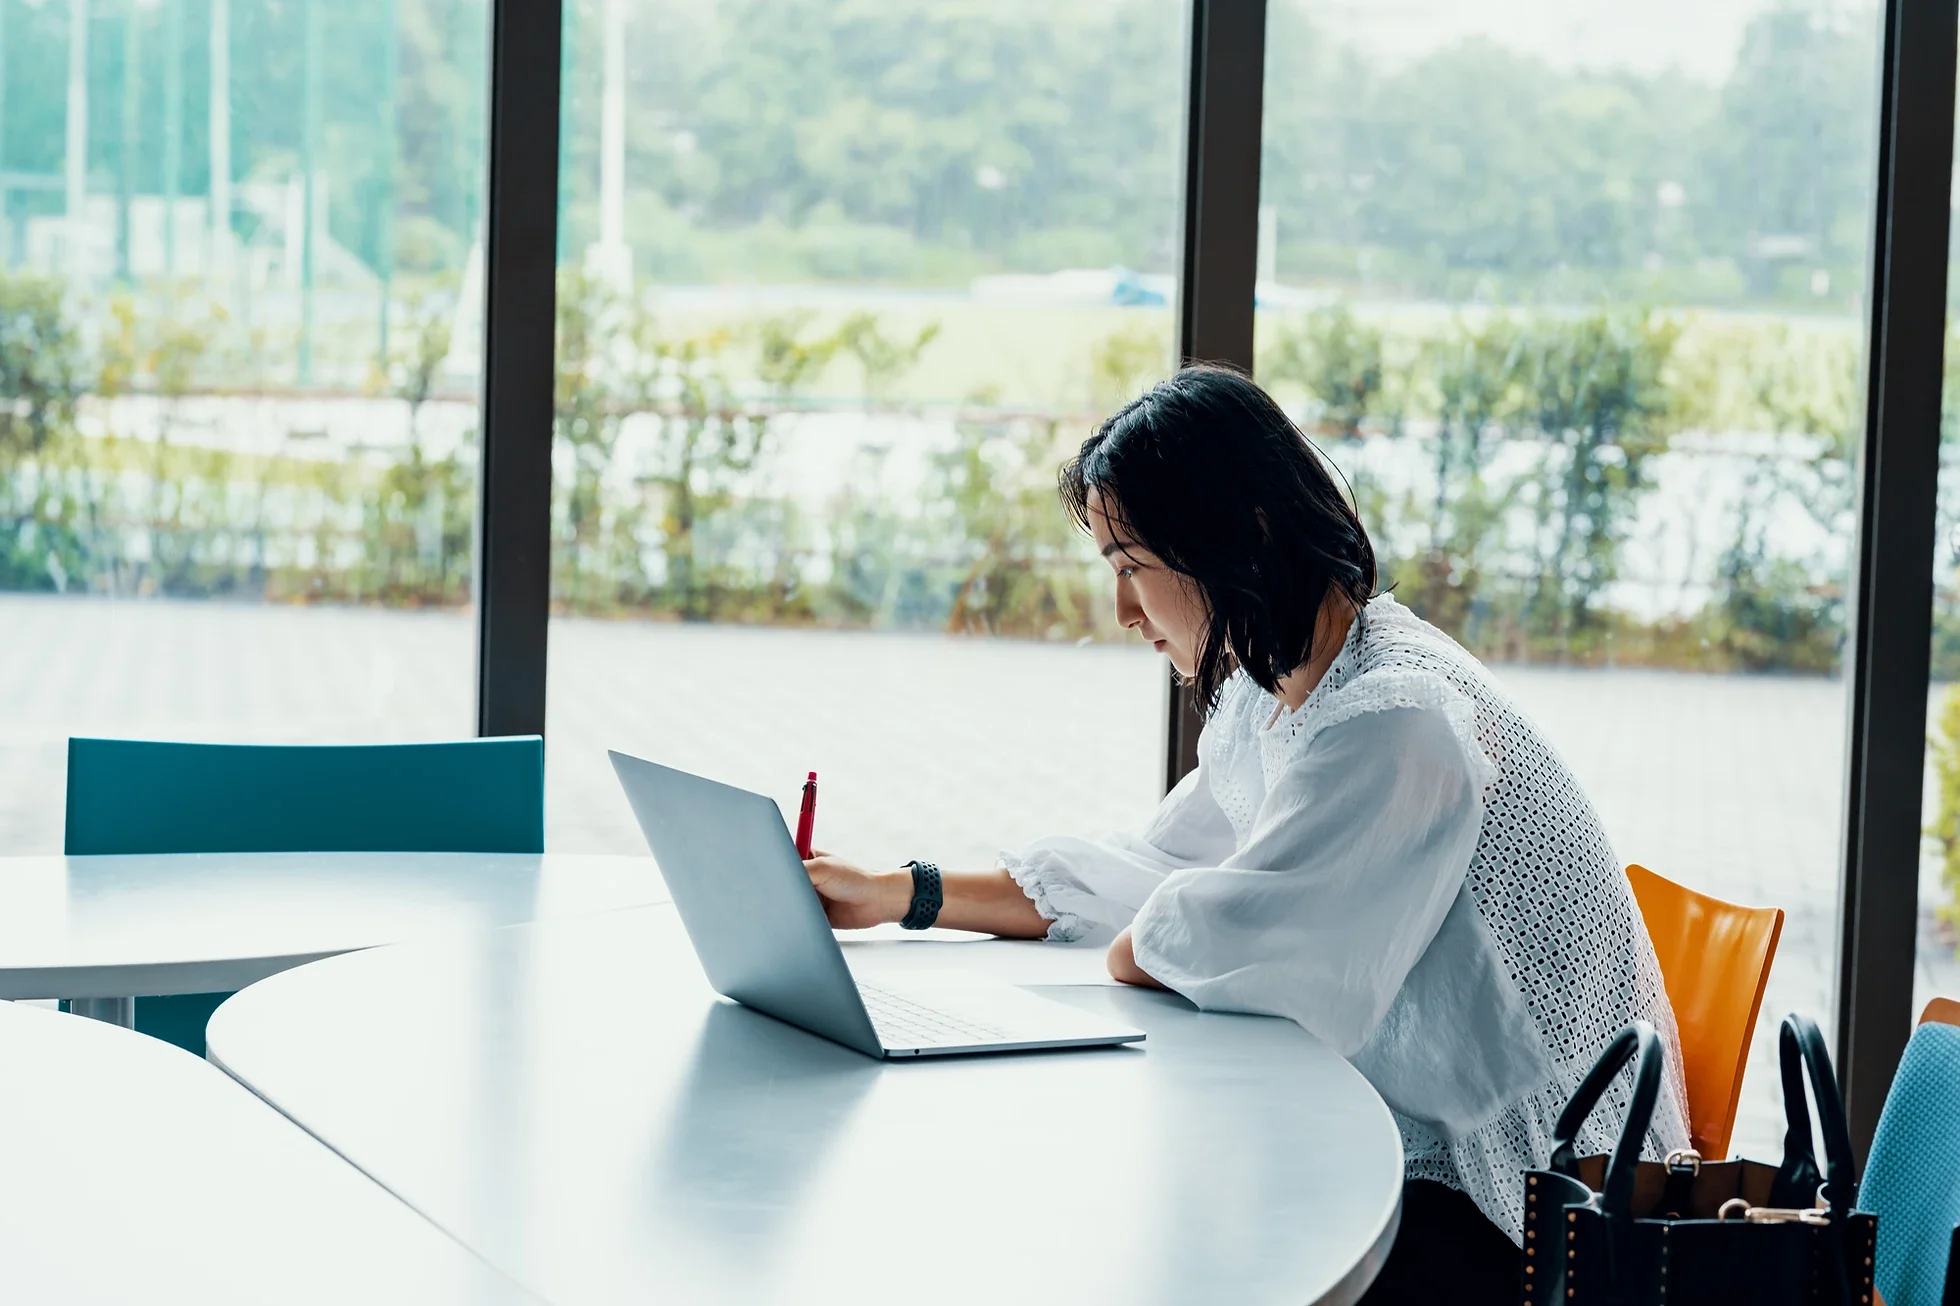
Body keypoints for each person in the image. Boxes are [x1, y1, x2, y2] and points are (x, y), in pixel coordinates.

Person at [803, 365, 1689, 1304]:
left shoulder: (1396, 721)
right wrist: (899, 893)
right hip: (1425, 1147)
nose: (1122, 612)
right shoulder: (1276, 689)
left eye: (1132, 566)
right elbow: (1150, 875)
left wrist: (1159, 931)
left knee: (1148, 1240)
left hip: (1528, 1215)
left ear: (1241, 534)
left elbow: (1218, 947)